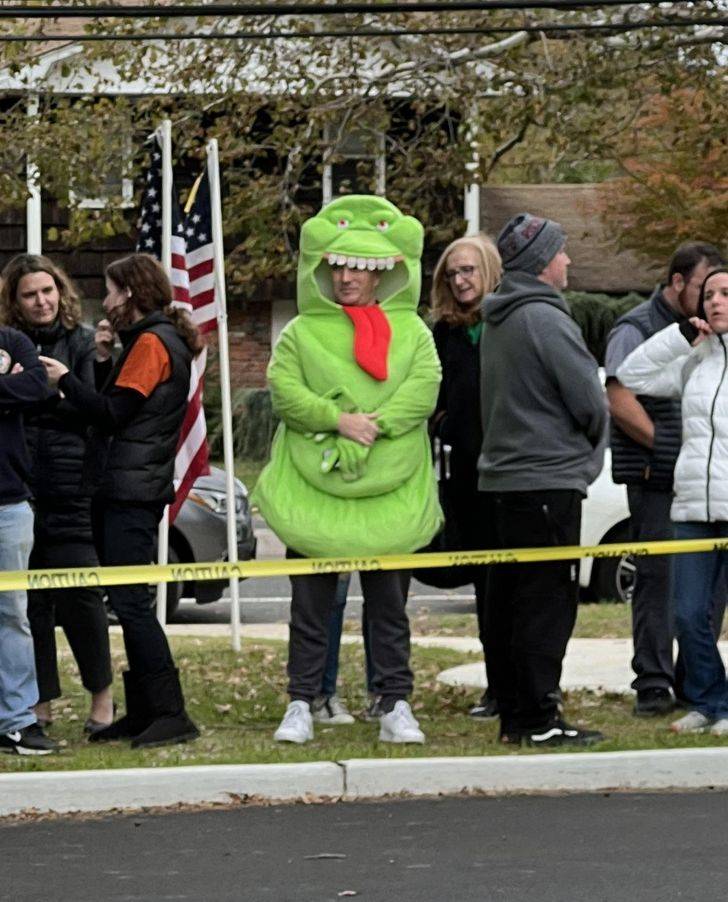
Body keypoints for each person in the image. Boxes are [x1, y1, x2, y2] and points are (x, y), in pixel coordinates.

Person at [253, 195, 442, 745]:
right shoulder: (301, 333)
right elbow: (284, 390)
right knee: (310, 605)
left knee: (389, 605)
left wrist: (372, 427)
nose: (346, 277)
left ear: (383, 273)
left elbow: (423, 388)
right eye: (338, 265)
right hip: (314, 490)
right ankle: (301, 702)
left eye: (358, 267)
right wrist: (337, 418)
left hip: (391, 491)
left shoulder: (413, 333)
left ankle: (394, 702)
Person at [40, 253, 202, 749]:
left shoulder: (154, 341)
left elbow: (111, 414)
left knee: (131, 602)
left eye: (110, 291)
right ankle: (145, 711)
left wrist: (64, 379)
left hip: (133, 493)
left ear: (129, 293)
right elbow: (110, 411)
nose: (104, 301)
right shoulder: (144, 341)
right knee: (126, 599)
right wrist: (104, 361)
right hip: (122, 488)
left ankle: (171, 713)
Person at [478, 212, 607, 748]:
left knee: (512, 601)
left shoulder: (497, 320)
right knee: (547, 604)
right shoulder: (545, 319)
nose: (568, 260)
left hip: (505, 483)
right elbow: (589, 400)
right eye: (562, 252)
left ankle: (515, 714)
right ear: (541, 262)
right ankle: (539, 718)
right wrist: (585, 456)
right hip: (547, 481)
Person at [605, 242, 726, 716]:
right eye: (708, 293)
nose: (714, 302)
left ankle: (714, 700)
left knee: (711, 612)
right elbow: (630, 377)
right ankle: (705, 699)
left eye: (724, 293)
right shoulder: (694, 360)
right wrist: (679, 338)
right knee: (688, 612)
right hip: (692, 506)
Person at [0, 254, 114, 734]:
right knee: (31, 605)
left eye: (47, 291)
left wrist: (36, 390)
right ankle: (39, 705)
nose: (41, 301)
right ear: (15, 301)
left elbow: (93, 410)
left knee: (82, 599)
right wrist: (41, 391)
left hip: (74, 486)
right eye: (29, 294)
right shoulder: (10, 344)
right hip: (24, 486)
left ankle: (102, 700)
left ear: (61, 291)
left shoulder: (84, 342)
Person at [429, 233, 502, 719]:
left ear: (490, 271)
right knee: (485, 587)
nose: (460, 280)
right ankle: (496, 687)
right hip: (464, 477)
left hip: (510, 472)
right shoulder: (442, 333)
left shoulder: (509, 325)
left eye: (468, 270)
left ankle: (529, 683)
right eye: (452, 273)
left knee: (515, 585)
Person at [0, 322, 58, 755]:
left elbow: (38, 385)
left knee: (13, 616)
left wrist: (19, 380)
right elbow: (24, 388)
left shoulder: (12, 340)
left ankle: (17, 721)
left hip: (9, 503)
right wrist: (7, 383)